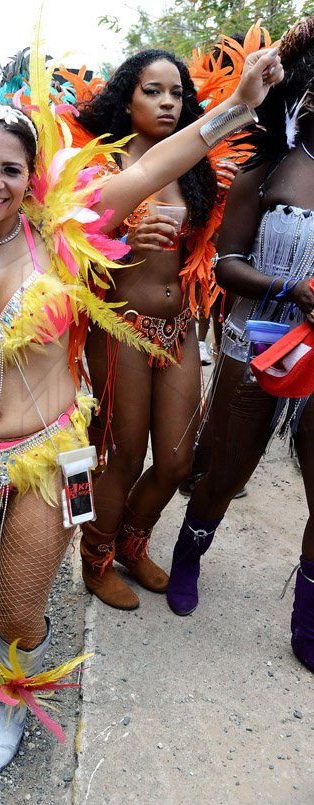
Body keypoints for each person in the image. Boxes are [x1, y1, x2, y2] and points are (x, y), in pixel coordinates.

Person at [0, 40, 281, 772]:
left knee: (17, 609)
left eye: (11, 168)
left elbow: (149, 168)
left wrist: (237, 106)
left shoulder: (62, 234)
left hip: (48, 455)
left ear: (31, 176)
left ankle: (13, 684)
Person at [166, 16, 314, 675]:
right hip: (258, 339)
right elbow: (226, 264)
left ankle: (307, 618)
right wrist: (293, 288)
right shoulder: (273, 169)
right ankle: (190, 552)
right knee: (227, 467)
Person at [68, 49, 238, 610]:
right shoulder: (99, 166)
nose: (167, 102)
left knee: (175, 459)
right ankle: (95, 557)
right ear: (126, 97)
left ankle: (129, 542)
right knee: (120, 455)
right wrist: (120, 248)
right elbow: (66, 256)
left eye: (176, 93)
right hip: (120, 328)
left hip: (179, 326)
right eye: (152, 91)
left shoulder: (194, 168)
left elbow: (203, 248)